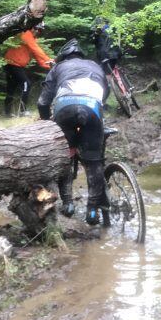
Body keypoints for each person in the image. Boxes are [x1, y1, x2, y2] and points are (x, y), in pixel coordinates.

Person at [37, 39, 109, 225]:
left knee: (65, 156)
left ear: (63, 56)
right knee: (94, 162)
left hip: (65, 109)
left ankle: (68, 204)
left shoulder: (58, 68)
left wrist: (46, 124)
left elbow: (43, 102)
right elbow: (105, 93)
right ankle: (92, 211)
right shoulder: (94, 65)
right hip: (92, 108)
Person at [3, 23, 53, 117]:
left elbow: (37, 56)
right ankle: (22, 111)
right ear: (31, 27)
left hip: (17, 65)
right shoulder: (26, 34)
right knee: (26, 84)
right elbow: (36, 49)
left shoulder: (32, 39)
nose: (37, 31)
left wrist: (50, 65)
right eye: (36, 29)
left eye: (40, 30)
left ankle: (8, 113)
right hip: (12, 64)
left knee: (11, 88)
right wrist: (48, 59)